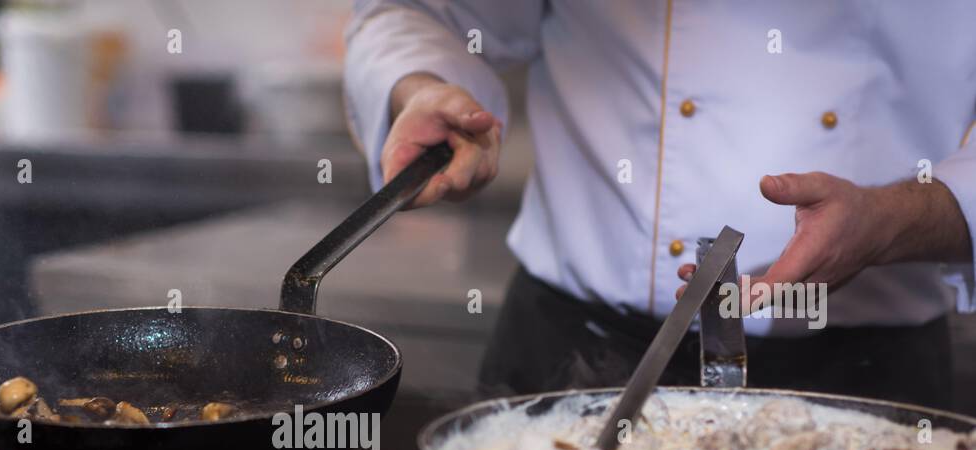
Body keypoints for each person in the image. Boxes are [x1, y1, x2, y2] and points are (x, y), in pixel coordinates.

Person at [344, 1, 976, 408]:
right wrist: (422, 84)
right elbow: (424, 12)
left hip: (856, 381)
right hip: (567, 359)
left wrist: (901, 219)